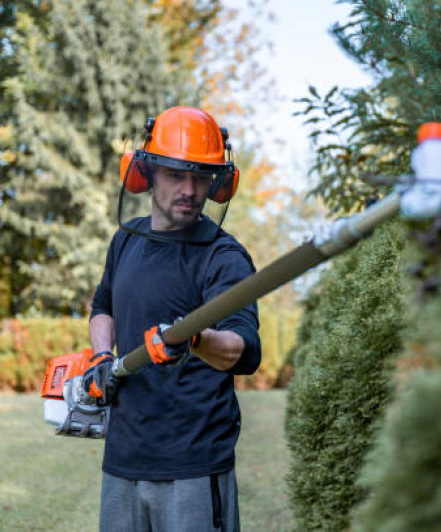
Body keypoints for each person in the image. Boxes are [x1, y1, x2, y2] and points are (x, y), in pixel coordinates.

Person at [85, 106, 260, 531]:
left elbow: (243, 349)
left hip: (193, 464)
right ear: (146, 173)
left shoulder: (223, 256)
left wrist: (195, 340)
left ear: (217, 184)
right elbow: (102, 307)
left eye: (201, 176)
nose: (190, 189)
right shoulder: (127, 239)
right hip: (122, 458)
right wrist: (101, 355)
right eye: (176, 174)